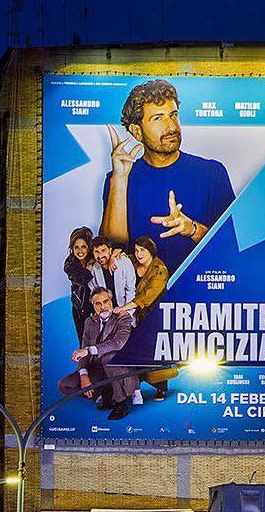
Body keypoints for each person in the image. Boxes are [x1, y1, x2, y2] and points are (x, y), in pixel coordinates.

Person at [102, 78, 237, 273]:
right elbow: (112, 253)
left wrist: (192, 229)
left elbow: (231, 247)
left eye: (173, 115)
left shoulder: (212, 173)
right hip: (141, 290)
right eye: (158, 118)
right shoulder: (118, 179)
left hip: (196, 289)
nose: (172, 127)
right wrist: (120, 180)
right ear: (137, 132)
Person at [57, 287, 139, 420]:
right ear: (93, 306)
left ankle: (121, 402)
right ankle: (105, 393)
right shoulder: (90, 322)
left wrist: (89, 350)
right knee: (64, 385)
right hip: (97, 368)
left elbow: (118, 343)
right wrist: (84, 375)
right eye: (98, 304)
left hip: (117, 366)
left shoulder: (123, 318)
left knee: (108, 357)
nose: (103, 307)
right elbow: (83, 348)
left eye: (106, 302)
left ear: (111, 302)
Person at [64, 227, 96, 343]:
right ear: (72, 248)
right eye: (76, 247)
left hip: (97, 305)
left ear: (88, 247)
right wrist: (88, 269)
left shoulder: (94, 256)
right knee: (84, 342)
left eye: (83, 247)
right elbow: (81, 279)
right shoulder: (69, 264)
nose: (80, 251)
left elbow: (112, 248)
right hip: (80, 309)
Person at [88, 236, 135, 308]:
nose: (100, 256)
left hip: (126, 308)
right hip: (106, 310)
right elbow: (95, 294)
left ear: (110, 250)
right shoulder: (93, 269)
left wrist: (126, 310)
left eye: (103, 250)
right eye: (97, 252)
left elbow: (131, 290)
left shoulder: (124, 261)